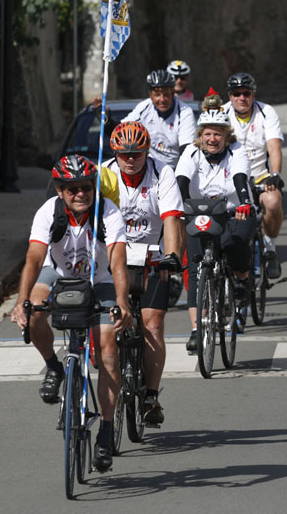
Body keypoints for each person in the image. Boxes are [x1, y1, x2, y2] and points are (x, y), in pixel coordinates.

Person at [9, 155, 129, 472]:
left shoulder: (109, 212)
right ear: (61, 190)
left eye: (86, 187)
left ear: (94, 187)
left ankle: (104, 432)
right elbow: (34, 257)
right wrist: (21, 300)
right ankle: (55, 368)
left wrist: (122, 300)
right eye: (72, 188)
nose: (80, 194)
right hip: (58, 275)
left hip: (99, 280)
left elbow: (117, 261)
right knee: (34, 314)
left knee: (107, 349)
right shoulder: (49, 212)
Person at [100, 121, 183, 425]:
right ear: (115, 153)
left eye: (137, 153)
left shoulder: (163, 172)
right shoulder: (105, 174)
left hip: (152, 255)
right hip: (114, 255)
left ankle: (150, 396)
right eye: (124, 154)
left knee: (153, 323)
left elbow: (172, 219)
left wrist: (172, 257)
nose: (131, 159)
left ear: (147, 151)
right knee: (107, 325)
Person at [175, 91, 255, 352]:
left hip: (234, 210)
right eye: (207, 134)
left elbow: (241, 177)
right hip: (200, 214)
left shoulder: (237, 150)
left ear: (226, 135)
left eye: (218, 134)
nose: (212, 139)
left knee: (237, 242)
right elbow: (182, 181)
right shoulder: (191, 152)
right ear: (201, 135)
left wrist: (244, 201)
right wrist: (181, 205)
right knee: (197, 269)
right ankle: (197, 329)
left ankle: (242, 278)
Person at [224, 72, 284, 279]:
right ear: (230, 96)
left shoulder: (266, 112)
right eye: (236, 93)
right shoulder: (222, 114)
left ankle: (270, 248)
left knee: (273, 201)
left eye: (246, 93)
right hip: (230, 178)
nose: (242, 98)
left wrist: (274, 174)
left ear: (253, 94)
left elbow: (274, 147)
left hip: (260, 176)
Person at [121, 69, 196, 169]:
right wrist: (106, 120)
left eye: (166, 94)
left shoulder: (185, 112)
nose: (162, 99)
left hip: (175, 169)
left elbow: (186, 151)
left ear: (173, 93)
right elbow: (122, 132)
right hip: (147, 169)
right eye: (157, 94)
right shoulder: (145, 107)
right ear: (150, 95)